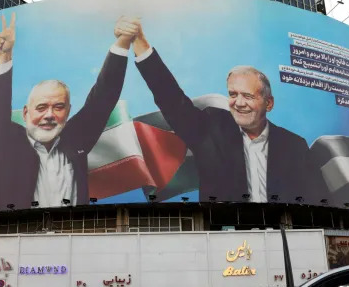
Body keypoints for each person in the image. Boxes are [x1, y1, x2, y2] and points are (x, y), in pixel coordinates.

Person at [129, 21, 325, 203]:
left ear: (269, 103)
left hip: (281, 232)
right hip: (224, 233)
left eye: (248, 96)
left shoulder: (294, 146)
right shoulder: (210, 127)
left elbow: (316, 199)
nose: (238, 103)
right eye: (233, 94)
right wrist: (140, 44)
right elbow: (172, 100)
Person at [0, 14, 138, 210]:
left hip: (71, 235)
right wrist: (4, 57)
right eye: (41, 107)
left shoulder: (75, 139)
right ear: (25, 113)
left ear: (68, 111)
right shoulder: (5, 142)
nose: (49, 115)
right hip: (13, 236)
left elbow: (103, 98)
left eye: (58, 107)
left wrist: (123, 41)